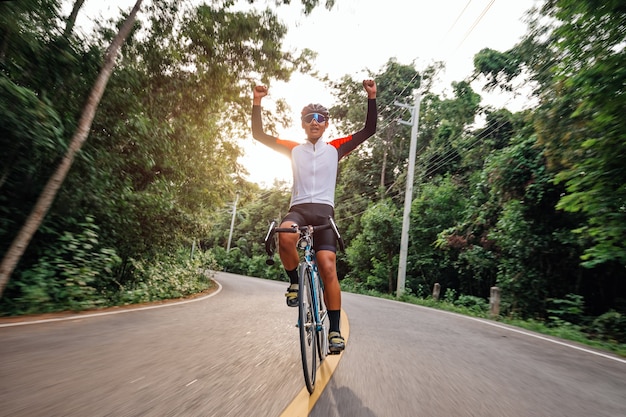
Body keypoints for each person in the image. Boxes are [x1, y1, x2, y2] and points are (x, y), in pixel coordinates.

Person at [252, 80, 377, 353]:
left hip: (324, 214)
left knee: (327, 265)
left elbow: (369, 130)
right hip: (298, 209)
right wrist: (257, 101)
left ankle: (334, 330)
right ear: (304, 124)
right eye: (310, 118)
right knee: (285, 236)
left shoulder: (336, 148)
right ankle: (295, 283)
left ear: (327, 124)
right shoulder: (293, 148)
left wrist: (371, 97)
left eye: (320, 119)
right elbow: (259, 135)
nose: (315, 122)